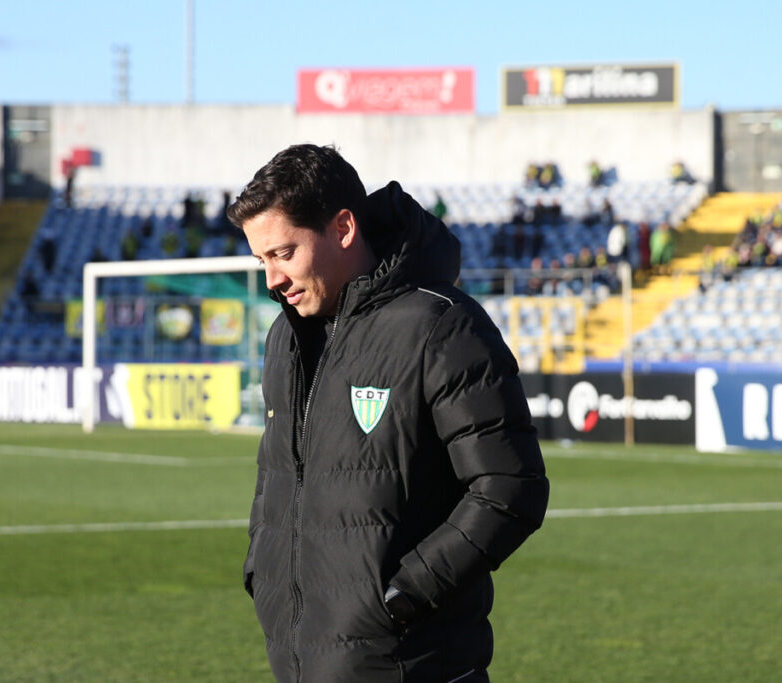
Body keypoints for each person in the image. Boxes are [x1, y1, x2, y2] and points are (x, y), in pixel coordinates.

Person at [227, 144, 549, 683]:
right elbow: (276, 476)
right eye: (262, 260)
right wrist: (263, 569)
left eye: (283, 253)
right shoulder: (285, 336)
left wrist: (404, 596)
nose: (271, 280)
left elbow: (510, 485)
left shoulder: (440, 325)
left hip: (412, 664)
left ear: (344, 229)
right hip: (302, 661)